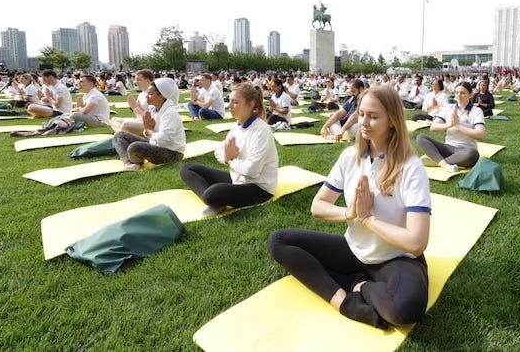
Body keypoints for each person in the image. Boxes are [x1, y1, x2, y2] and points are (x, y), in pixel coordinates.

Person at [268, 85, 431, 328]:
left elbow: (416, 243)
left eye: (374, 117)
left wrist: (367, 219)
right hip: (354, 250)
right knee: (280, 241)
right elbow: (318, 206)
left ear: (393, 121)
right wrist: (350, 213)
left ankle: (360, 285)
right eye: (362, 114)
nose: (364, 122)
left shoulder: (411, 167)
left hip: (395, 258)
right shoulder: (350, 157)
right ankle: (346, 303)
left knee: (405, 310)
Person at [181, 83, 279, 216]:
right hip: (238, 179)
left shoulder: (261, 130)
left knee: (213, 193)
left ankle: (215, 199)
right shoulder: (237, 126)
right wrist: (227, 158)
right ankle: (217, 201)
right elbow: (219, 150)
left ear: (250, 105)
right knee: (188, 169)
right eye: (230, 101)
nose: (230, 106)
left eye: (235, 102)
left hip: (259, 188)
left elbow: (252, 171)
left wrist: (230, 161)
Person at [113, 77, 186, 171]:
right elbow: (151, 137)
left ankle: (133, 159)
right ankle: (129, 163)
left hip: (172, 153)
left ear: (161, 96)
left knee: (135, 147)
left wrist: (148, 130)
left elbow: (162, 140)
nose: (147, 96)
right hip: (157, 146)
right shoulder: (153, 110)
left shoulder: (170, 113)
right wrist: (147, 130)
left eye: (151, 94)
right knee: (119, 135)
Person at [416, 81, 486, 172]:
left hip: (466, 149)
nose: (459, 95)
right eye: (456, 93)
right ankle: (444, 164)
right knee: (421, 138)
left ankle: (437, 161)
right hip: (448, 147)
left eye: (462, 93)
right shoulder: (449, 108)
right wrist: (450, 124)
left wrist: (458, 126)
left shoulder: (476, 111)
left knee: (473, 154)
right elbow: (433, 127)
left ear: (470, 94)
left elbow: (480, 134)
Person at [110, 69, 155, 135]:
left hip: (149, 125)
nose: (135, 82)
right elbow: (138, 115)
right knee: (114, 120)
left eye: (138, 79)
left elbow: (152, 119)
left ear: (147, 80)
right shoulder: (141, 94)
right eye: (136, 79)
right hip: (139, 121)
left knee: (125, 125)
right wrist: (134, 107)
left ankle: (122, 133)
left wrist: (136, 107)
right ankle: (122, 133)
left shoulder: (153, 95)